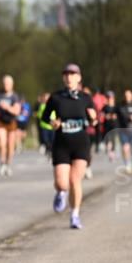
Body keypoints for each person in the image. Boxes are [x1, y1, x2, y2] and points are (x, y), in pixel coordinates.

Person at [40, 63, 96, 230]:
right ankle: (60, 192)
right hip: (61, 144)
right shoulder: (56, 97)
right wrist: (53, 122)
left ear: (79, 78)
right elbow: (44, 117)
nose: (69, 77)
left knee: (75, 180)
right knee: (62, 183)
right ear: (63, 78)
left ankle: (75, 215)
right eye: (66, 74)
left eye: (72, 74)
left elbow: (93, 120)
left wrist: (94, 118)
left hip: (81, 144)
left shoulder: (86, 98)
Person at [0, 75, 22, 176]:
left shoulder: (15, 97)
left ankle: (8, 164)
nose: (6, 85)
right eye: (4, 83)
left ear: (12, 84)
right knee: (2, 142)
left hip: (11, 122)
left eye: (8, 84)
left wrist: (7, 107)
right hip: (0, 122)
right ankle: (2, 162)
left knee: (10, 145)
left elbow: (17, 111)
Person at [117, 89, 132, 173]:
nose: (127, 97)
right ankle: (127, 164)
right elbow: (120, 115)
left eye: (128, 96)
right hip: (123, 131)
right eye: (125, 96)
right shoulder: (120, 106)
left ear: (131, 97)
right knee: (125, 148)